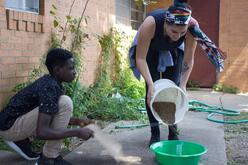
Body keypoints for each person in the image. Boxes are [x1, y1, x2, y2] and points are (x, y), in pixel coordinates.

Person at [0, 48, 94, 165]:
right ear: (57, 70)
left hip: (9, 124)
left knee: (62, 102)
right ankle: (49, 159)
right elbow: (42, 132)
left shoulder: (51, 82)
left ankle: (23, 141)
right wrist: (77, 132)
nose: (74, 72)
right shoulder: (49, 87)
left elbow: (50, 115)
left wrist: (77, 121)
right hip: (9, 127)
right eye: (71, 68)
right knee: (65, 102)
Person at [129, 0, 199, 145]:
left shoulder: (192, 27)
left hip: (174, 51)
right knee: (151, 90)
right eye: (174, 31)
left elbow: (188, 61)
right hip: (150, 50)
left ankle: (173, 131)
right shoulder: (151, 23)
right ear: (166, 24)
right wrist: (150, 83)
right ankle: (155, 133)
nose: (177, 36)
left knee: (174, 88)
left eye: (182, 32)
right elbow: (140, 58)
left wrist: (183, 85)